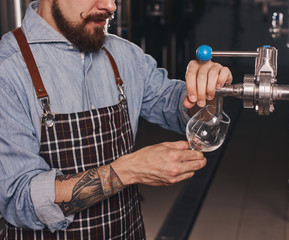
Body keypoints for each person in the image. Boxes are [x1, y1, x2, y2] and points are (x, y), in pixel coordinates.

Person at [0, 0, 232, 239]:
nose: (111, 6)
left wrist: (207, 91)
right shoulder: (7, 70)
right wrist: (127, 171)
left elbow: (176, 105)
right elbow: (18, 200)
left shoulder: (122, 55)